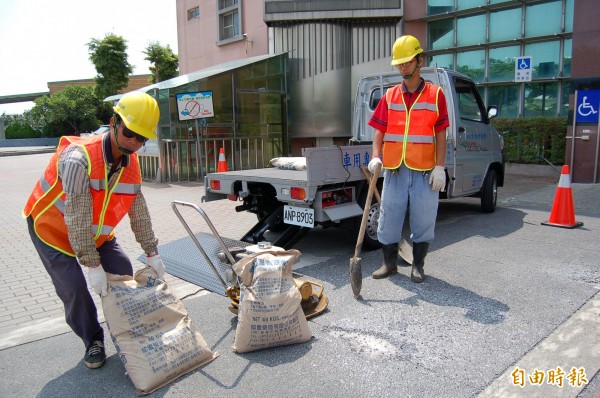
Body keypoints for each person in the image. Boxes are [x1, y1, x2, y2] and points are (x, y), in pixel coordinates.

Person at [23, 91, 166, 369]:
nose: (134, 142)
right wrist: (91, 263)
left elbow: (139, 211)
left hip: (96, 232)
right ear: (114, 122)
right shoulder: (77, 158)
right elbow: (76, 215)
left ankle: (125, 331)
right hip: (51, 230)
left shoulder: (131, 163)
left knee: (123, 269)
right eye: (130, 132)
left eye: (142, 138)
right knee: (74, 288)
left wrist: (152, 252)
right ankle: (93, 340)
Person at [367, 35, 449, 283]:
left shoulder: (436, 95)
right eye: (399, 64)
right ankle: (389, 264)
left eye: (407, 62)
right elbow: (379, 130)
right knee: (388, 218)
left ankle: (418, 265)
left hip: (424, 171)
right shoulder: (390, 96)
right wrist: (375, 156)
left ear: (419, 60)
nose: (402, 68)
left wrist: (440, 167)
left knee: (423, 220)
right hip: (395, 171)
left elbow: (440, 134)